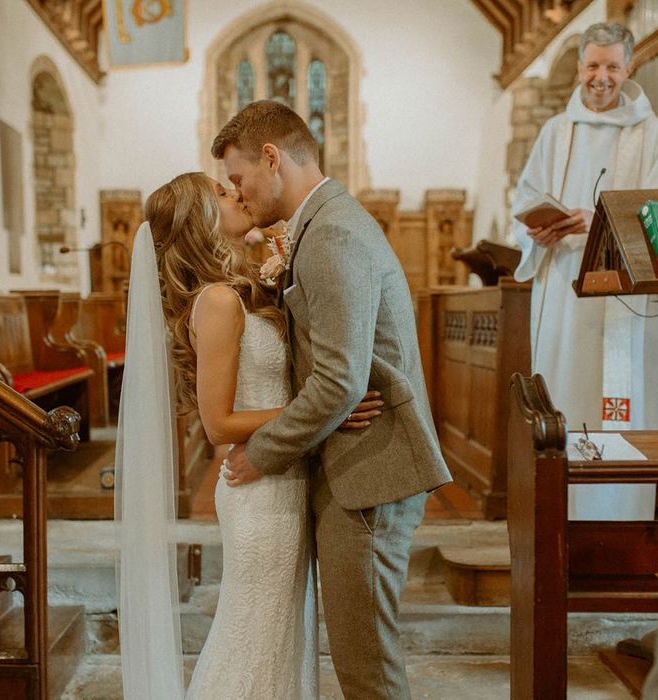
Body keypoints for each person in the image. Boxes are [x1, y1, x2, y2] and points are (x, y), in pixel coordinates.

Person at [214, 100, 451, 699]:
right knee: (359, 660)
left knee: (366, 671)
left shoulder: (333, 232)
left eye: (240, 179)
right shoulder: (321, 225)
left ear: (272, 158)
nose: (240, 194)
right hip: (353, 462)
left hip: (367, 475)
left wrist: (261, 451)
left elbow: (340, 381)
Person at [115, 172, 381, 699]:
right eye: (219, 191)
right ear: (199, 220)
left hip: (282, 481)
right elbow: (218, 424)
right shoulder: (216, 300)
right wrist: (323, 410)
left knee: (282, 639)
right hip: (260, 497)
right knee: (253, 638)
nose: (234, 193)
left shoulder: (241, 287)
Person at [512, 22, 658, 520]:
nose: (601, 77)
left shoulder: (653, 135)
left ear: (629, 67)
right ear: (579, 68)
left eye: (612, 66)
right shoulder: (556, 132)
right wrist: (535, 230)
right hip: (562, 293)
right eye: (593, 66)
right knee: (564, 402)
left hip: (622, 301)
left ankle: (616, 523)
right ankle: (558, 525)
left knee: (613, 406)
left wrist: (596, 217)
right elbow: (524, 198)